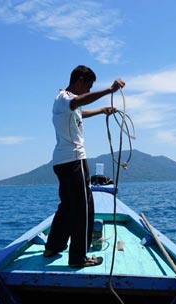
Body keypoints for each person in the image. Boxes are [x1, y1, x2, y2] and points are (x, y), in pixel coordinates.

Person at [44, 65, 125, 268]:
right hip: (74, 160)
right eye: (88, 87)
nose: (88, 92)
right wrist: (109, 91)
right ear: (79, 80)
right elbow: (78, 102)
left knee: (67, 206)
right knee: (83, 208)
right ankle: (78, 258)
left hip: (62, 162)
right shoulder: (65, 98)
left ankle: (53, 246)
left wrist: (101, 110)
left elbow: (81, 110)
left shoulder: (65, 102)